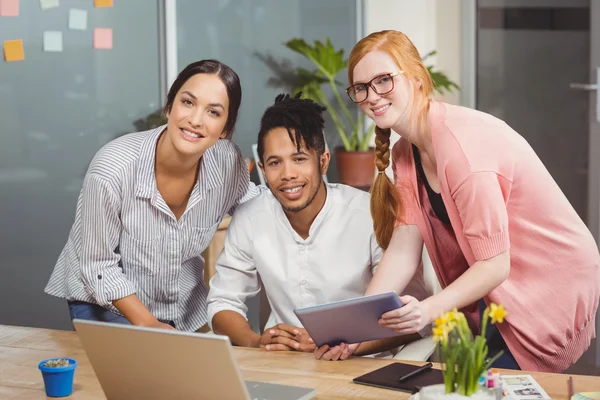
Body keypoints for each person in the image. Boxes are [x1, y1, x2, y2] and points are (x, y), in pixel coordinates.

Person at [330, 30, 600, 372]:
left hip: (548, 280)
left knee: (491, 386)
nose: (372, 96)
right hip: (499, 284)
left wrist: (426, 310)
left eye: (384, 80)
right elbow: (402, 249)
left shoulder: (462, 148)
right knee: (476, 383)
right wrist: (357, 329)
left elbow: (494, 264)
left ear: (416, 77)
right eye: (361, 87)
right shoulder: (404, 153)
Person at [45, 59, 259, 332]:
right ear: (169, 107)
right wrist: (148, 323)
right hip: (106, 300)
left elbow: (255, 209)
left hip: (182, 302)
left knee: (203, 371)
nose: (195, 120)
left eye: (213, 112)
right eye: (188, 102)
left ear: (226, 130)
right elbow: (97, 263)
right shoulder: (113, 168)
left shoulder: (228, 163)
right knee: (135, 372)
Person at [207, 94, 425, 358]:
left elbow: (413, 319)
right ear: (263, 170)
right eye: (275, 163)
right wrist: (256, 343)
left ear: (323, 161)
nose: (287, 174)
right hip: (282, 366)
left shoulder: (368, 214)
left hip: (361, 367)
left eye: (299, 159)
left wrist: (346, 347)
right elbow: (223, 302)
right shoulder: (250, 218)